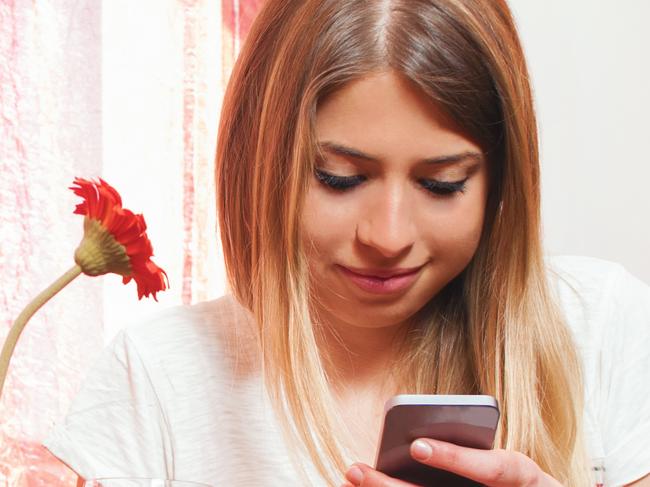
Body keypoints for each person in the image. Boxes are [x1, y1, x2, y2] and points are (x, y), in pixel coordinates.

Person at [43, 0, 650, 486]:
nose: (387, 236)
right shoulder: (156, 378)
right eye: (339, 178)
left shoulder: (600, 326)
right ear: (260, 159)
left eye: (442, 185)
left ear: (499, 182)